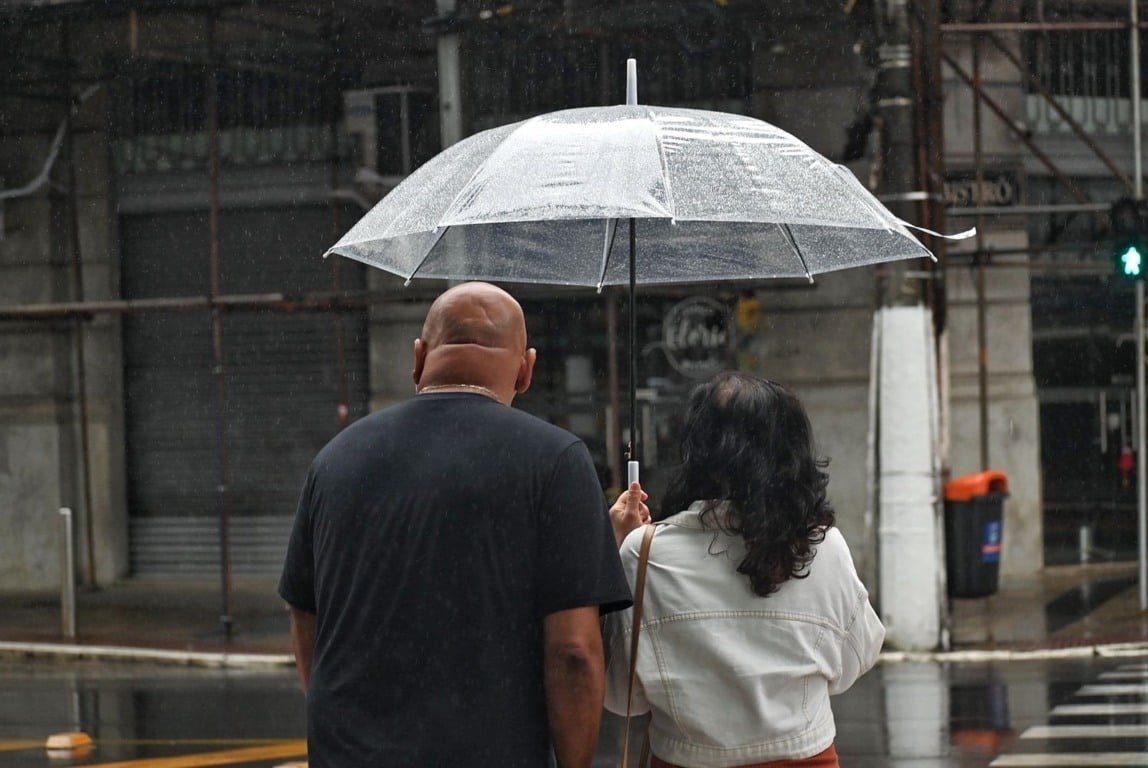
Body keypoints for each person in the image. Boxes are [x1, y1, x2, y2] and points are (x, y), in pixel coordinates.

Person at [279, 281, 632, 768]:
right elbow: (573, 652)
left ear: (419, 357)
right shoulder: (555, 462)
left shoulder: (336, 459)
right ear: (526, 370)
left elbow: (306, 615)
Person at [603, 372, 885, 768]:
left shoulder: (642, 553)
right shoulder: (822, 547)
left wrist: (614, 549)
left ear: (697, 452)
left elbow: (622, 696)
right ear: (790, 454)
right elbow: (856, 659)